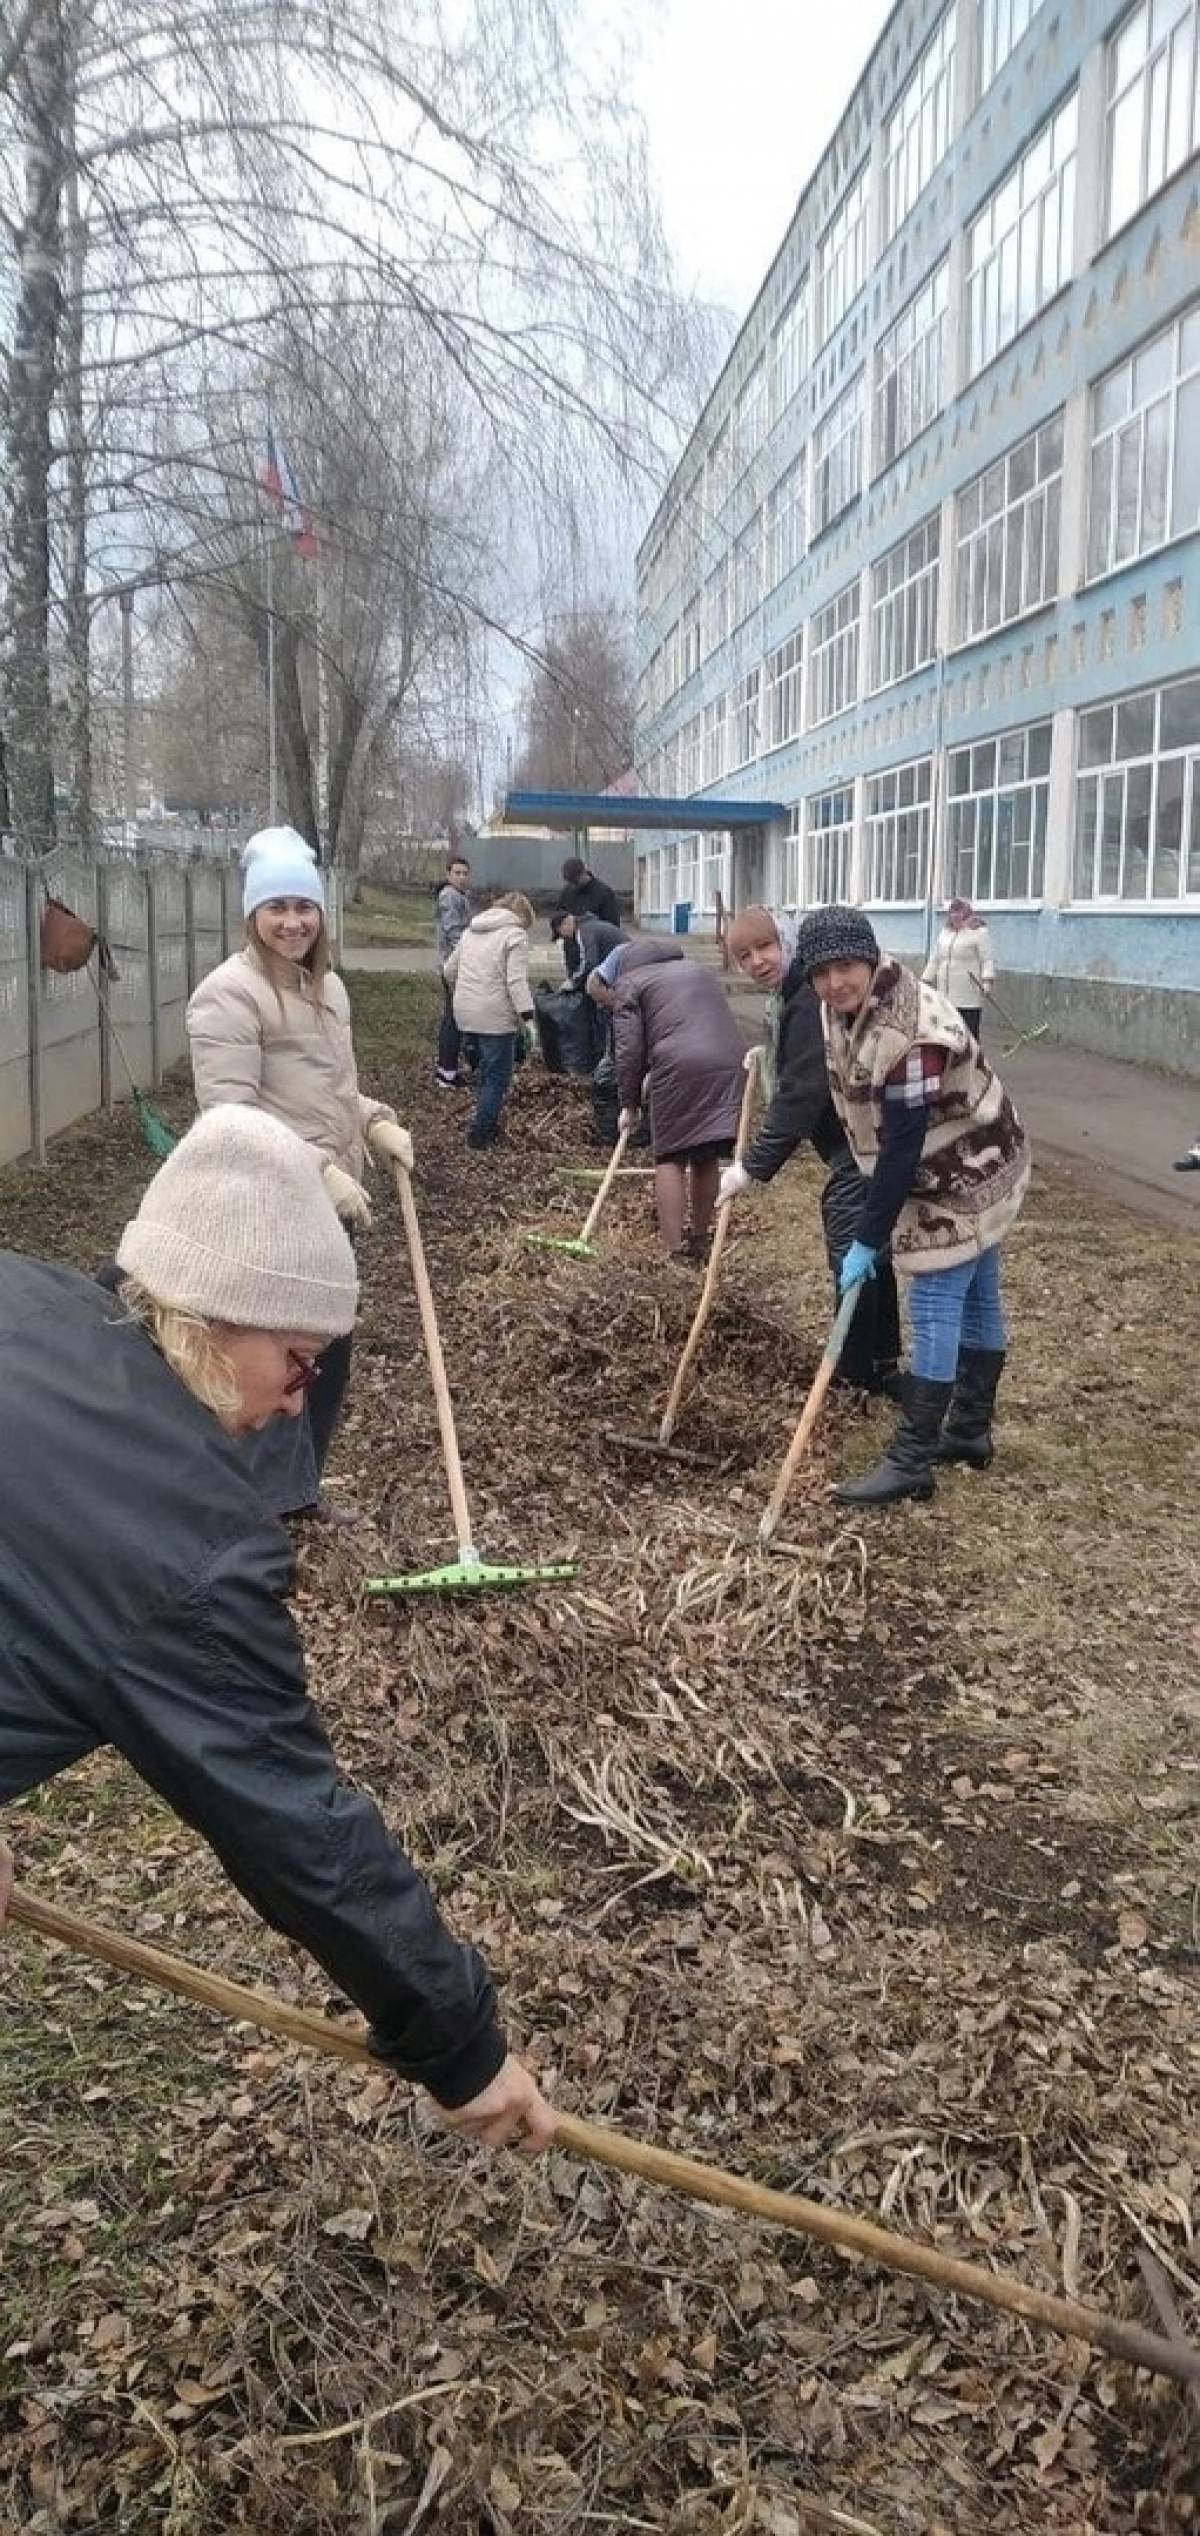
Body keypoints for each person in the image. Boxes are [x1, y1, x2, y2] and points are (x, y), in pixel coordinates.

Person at [0, 1107, 553, 2152]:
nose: (303, 1403)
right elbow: (293, 1820)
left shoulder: (24, 1297)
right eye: (301, 1360)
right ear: (212, 1319)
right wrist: (463, 2048)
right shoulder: (181, 1543)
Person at [185, 828, 412, 1500]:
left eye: (303, 907)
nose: (292, 922)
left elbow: (332, 1090)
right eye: (276, 907)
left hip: (328, 1206)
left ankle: (298, 1492)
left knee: (326, 1358)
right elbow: (230, 1116)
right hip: (267, 1208)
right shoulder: (229, 995)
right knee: (275, 1365)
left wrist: (371, 1122)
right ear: (252, 916)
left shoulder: (327, 989)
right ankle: (260, 1504)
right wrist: (317, 1169)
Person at [796, 907, 1030, 1507]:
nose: (834, 983)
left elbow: (902, 1148)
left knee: (935, 1302)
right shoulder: (842, 1008)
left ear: (870, 959)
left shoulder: (910, 1035)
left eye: (845, 967)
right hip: (958, 1155)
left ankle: (912, 1461)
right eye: (821, 972)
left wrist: (868, 1238)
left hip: (965, 1167)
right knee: (978, 1292)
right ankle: (970, 1431)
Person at [718, 906, 901, 1397]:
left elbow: (803, 1092)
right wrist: (770, 1055)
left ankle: (854, 1373)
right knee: (871, 1251)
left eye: (765, 946)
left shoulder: (805, 995)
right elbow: (803, 1061)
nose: (758, 960)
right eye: (744, 955)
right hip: (864, 1142)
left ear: (786, 941)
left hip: (860, 1146)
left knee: (853, 1253)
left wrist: (750, 1168)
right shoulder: (792, 995)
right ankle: (881, 1363)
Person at [606, 939, 743, 1259]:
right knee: (705, 1151)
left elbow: (628, 1052)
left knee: (670, 1155)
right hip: (730, 1059)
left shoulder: (630, 983)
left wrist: (628, 1105)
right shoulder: (698, 971)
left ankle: (673, 1250)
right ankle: (698, 1239)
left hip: (680, 1064)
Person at [443, 891, 537, 1150]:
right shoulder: (515, 935)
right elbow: (515, 981)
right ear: (522, 916)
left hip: (464, 1012)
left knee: (484, 1073)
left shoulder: (471, 931)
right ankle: (480, 1135)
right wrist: (528, 1019)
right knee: (497, 1078)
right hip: (494, 1016)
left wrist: (466, 993)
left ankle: (485, 1120)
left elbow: (449, 970)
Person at [922, 897, 996, 1039]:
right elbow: (935, 959)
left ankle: (973, 1059)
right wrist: (925, 980)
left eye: (959, 912)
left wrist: (987, 981)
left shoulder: (979, 932)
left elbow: (987, 959)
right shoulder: (945, 933)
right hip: (945, 994)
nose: (956, 915)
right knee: (947, 1032)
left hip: (968, 994)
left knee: (968, 1033)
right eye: (953, 912)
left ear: (967, 913)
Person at [434, 851, 473, 1088]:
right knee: (453, 1019)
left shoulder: (458, 895)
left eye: (465, 873)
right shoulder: (450, 896)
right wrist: (469, 954)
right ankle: (446, 1071)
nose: (461, 877)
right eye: (457, 873)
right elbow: (453, 931)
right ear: (448, 874)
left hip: (454, 963)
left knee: (455, 1017)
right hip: (453, 965)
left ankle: (448, 1067)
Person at [558, 856, 621, 976]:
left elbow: (612, 925)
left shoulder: (604, 893)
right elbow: (559, 917)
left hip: (599, 954)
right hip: (573, 951)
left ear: (584, 872)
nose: (574, 885)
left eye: (575, 881)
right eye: (570, 882)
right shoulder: (567, 892)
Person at [549, 905, 627, 990]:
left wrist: (573, 981)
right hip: (626, 959)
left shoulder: (584, 932)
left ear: (565, 924)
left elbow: (589, 962)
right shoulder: (590, 926)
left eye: (560, 933)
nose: (564, 937)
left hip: (625, 963)